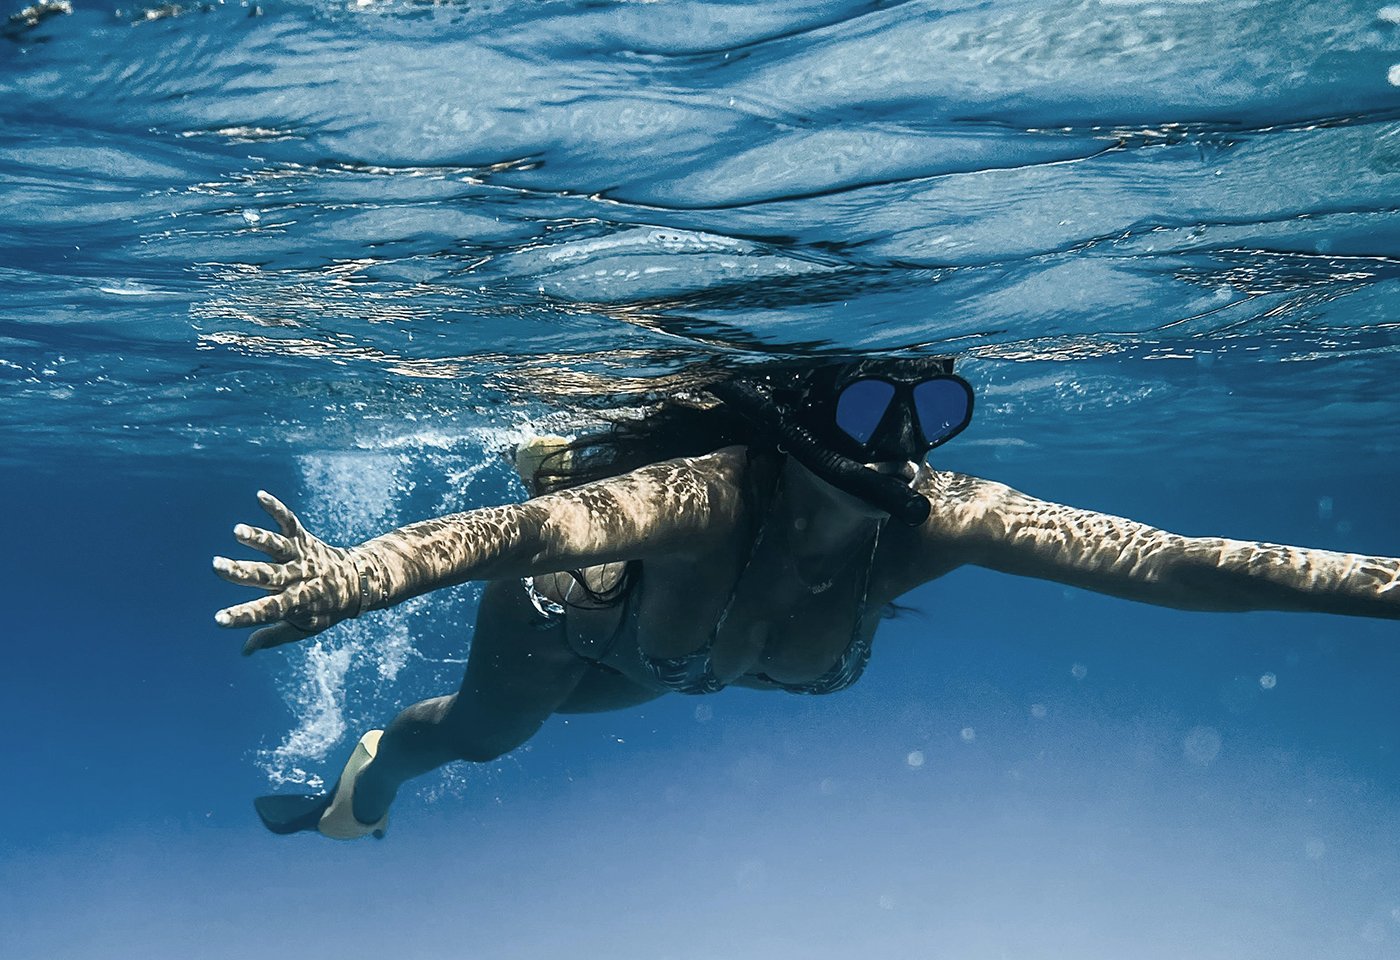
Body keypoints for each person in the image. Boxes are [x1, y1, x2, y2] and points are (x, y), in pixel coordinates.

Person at [213, 357, 1400, 839]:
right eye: (865, 409)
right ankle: (356, 792)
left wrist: (1385, 585)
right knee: (480, 738)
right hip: (573, 614)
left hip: (674, 659)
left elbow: (1171, 562)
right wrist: (357, 576)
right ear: (794, 420)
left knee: (633, 679)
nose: (896, 445)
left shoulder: (944, 518)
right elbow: (526, 535)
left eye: (929, 414)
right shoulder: (709, 495)